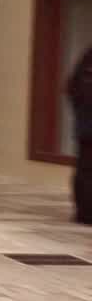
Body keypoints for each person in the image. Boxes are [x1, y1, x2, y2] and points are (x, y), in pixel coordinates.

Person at [68, 46, 92, 224]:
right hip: (86, 125)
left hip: (85, 125)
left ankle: (83, 212)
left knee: (84, 169)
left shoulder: (87, 57)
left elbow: (71, 88)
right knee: (85, 170)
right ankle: (85, 212)